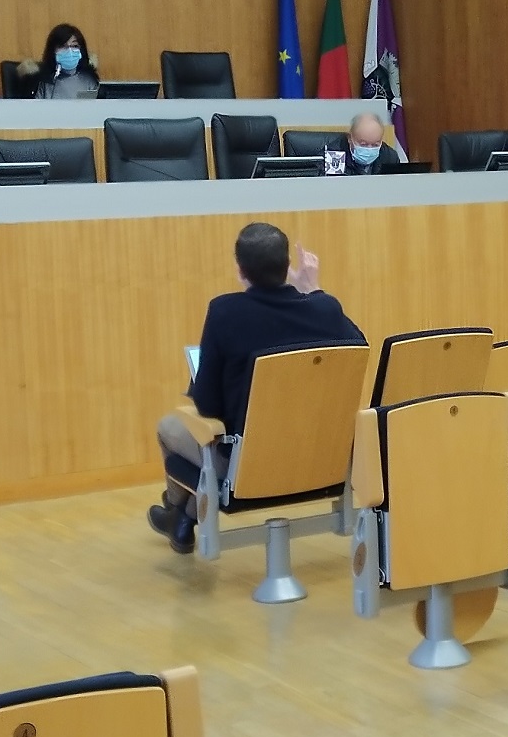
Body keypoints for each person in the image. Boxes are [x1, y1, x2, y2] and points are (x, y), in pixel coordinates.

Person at [147, 223, 364, 553]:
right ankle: (181, 518)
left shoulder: (225, 311)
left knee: (169, 427)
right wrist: (314, 290)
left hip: (248, 469)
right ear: (287, 265)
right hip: (322, 463)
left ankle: (180, 513)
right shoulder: (324, 309)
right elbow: (359, 347)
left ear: (240, 270)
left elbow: (207, 405)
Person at [18, 24, 100, 100]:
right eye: (63, 46)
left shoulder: (89, 78)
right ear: (52, 50)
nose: (69, 51)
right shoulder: (41, 80)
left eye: (75, 46)